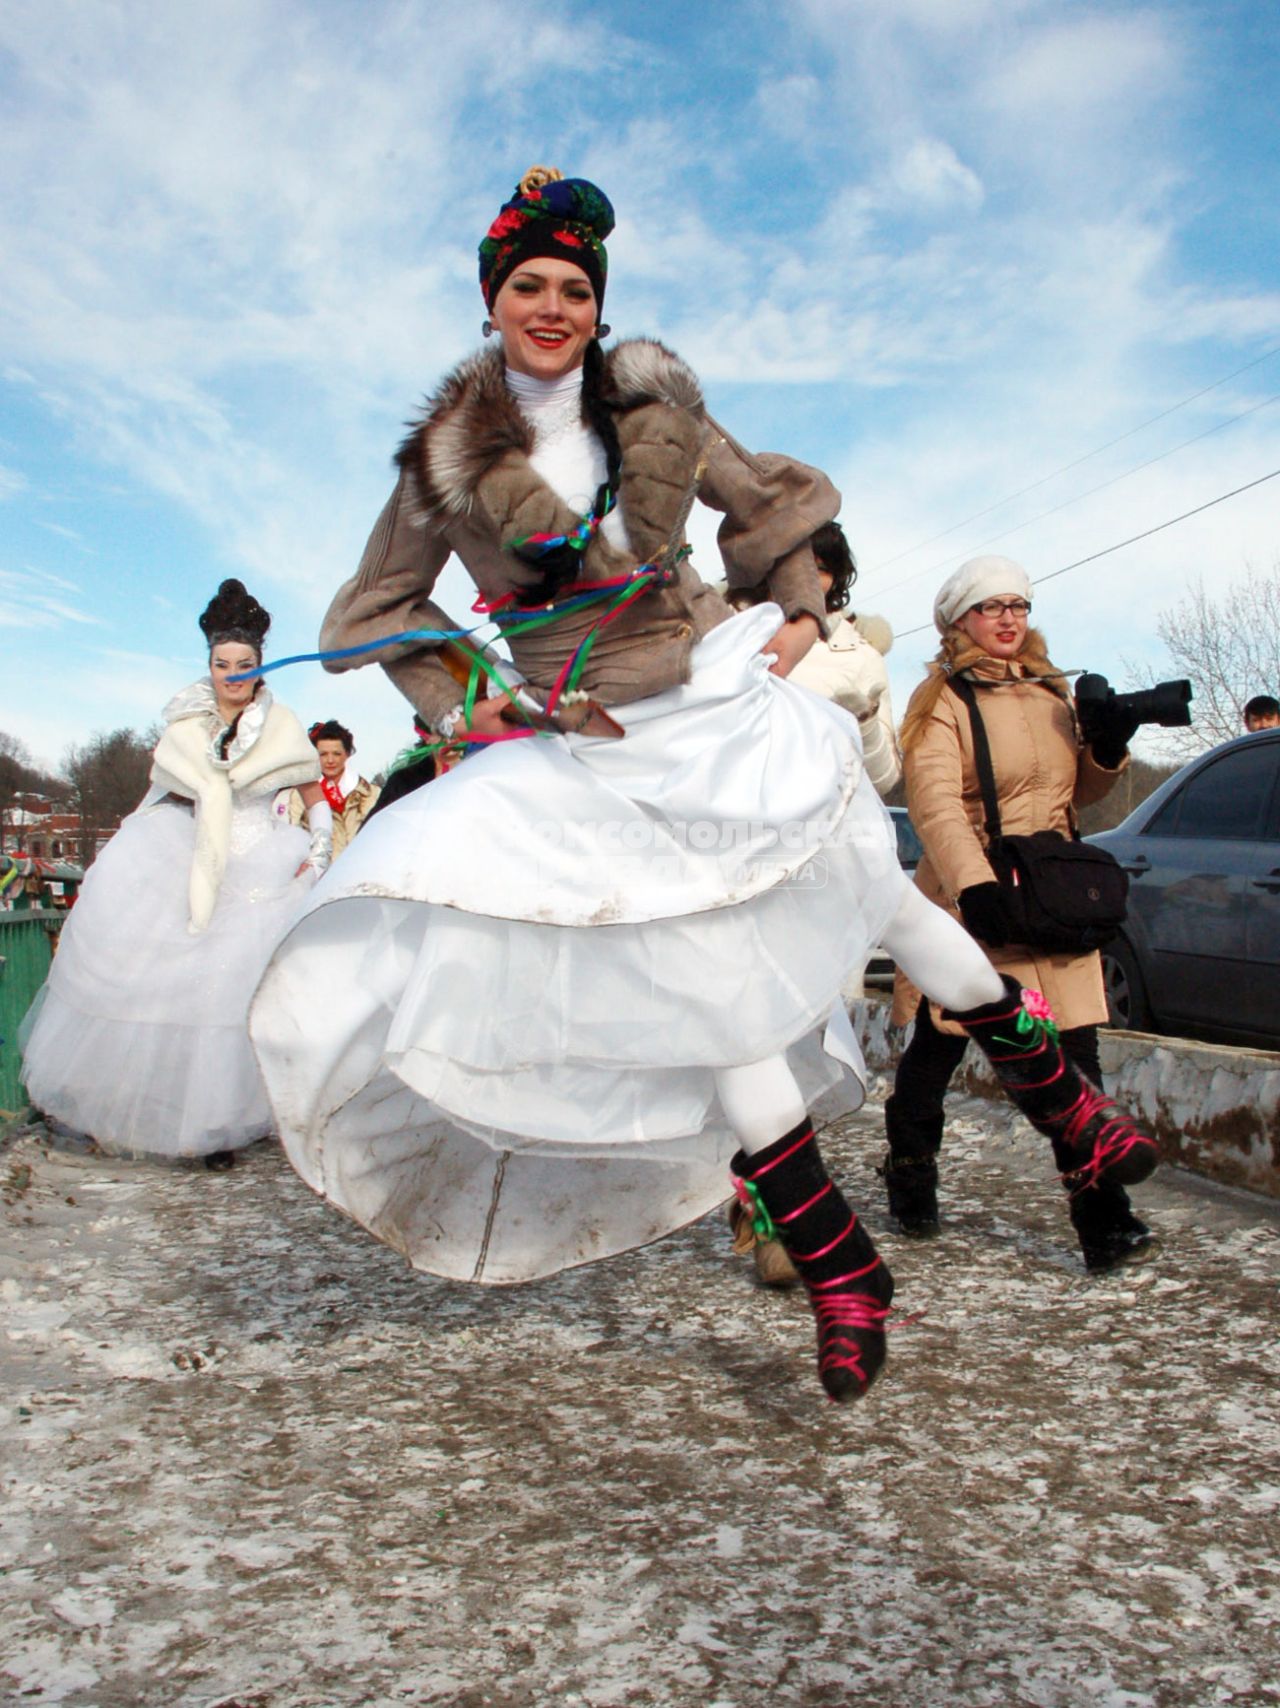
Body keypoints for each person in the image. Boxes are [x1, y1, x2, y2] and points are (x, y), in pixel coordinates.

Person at [249, 169, 1157, 1403]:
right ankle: (842, 1270)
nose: (554, 307)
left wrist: (792, 610)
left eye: (576, 288)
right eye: (530, 286)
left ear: (596, 302)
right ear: (491, 301)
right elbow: (370, 612)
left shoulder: (649, 403)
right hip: (607, 752)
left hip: (723, 702)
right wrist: (477, 697)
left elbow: (775, 507)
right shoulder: (443, 466)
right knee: (708, 1000)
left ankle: (1066, 1113)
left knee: (880, 904)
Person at [882, 555, 1156, 1270]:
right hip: (973, 904)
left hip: (1048, 900)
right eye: (991, 606)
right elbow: (935, 801)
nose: (1009, 619)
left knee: (1076, 1066)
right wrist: (975, 888)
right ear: (958, 620)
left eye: (1019, 605)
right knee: (936, 1055)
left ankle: (1104, 1220)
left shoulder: (1048, 691)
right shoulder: (942, 698)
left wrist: (1109, 745)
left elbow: (1077, 797)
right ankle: (910, 1173)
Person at [21, 581, 326, 1165]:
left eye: (244, 665)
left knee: (239, 1000)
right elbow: (158, 797)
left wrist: (317, 852)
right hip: (195, 867)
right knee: (186, 998)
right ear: (208, 664)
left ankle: (229, 1123)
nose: (232, 675)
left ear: (261, 667)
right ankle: (184, 1119)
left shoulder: (284, 726)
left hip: (262, 871)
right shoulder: (185, 726)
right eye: (221, 664)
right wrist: (128, 857)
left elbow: (314, 796)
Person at [288, 719, 380, 855]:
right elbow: (291, 840)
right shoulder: (299, 795)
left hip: (362, 872)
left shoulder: (371, 794)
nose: (330, 760)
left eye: (337, 754)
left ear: (347, 754)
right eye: (323, 754)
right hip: (319, 874)